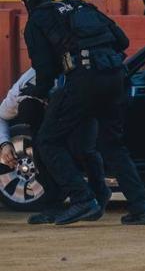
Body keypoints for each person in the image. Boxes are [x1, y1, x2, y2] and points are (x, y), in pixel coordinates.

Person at [20, 0, 145, 225]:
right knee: (112, 144)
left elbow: (45, 69)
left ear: (27, 1)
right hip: (115, 76)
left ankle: (82, 199)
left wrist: (38, 93)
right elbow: (122, 41)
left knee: (48, 140)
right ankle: (141, 206)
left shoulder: (37, 20)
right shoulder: (81, 7)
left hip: (84, 79)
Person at [0, 68, 111, 224]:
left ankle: (96, 194)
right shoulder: (16, 95)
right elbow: (1, 116)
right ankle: (53, 207)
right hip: (55, 111)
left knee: (82, 147)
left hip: (79, 103)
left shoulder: (60, 81)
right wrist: (4, 144)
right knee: (41, 147)